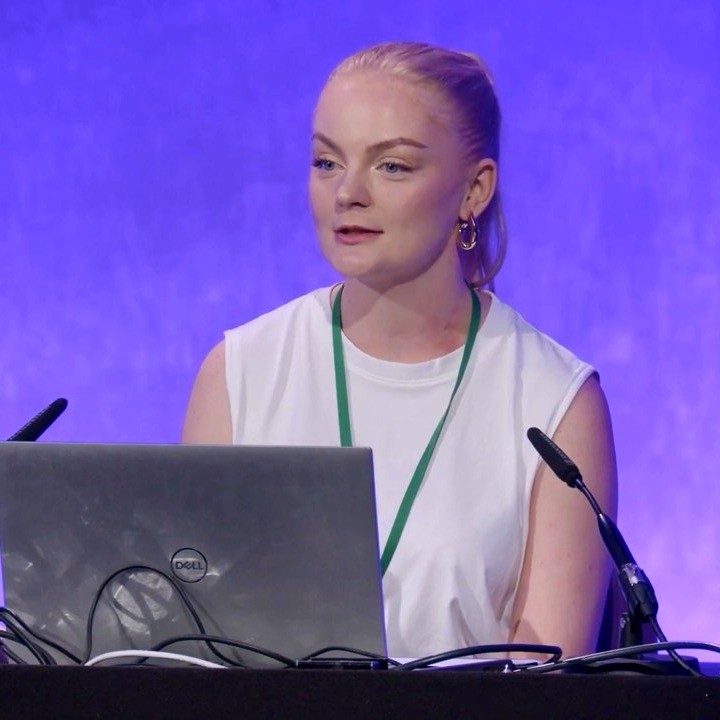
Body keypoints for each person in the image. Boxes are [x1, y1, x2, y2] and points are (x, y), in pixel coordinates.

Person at [182, 41, 617, 660]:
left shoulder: (556, 402)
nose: (347, 194)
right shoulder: (238, 373)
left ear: (474, 189)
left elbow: (544, 677)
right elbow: (188, 640)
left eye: (391, 167)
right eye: (327, 162)